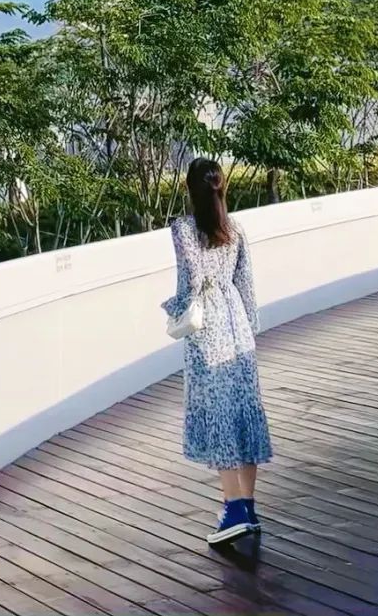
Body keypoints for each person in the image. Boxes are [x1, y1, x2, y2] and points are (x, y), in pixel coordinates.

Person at [162, 157, 272, 547]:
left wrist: (176, 309)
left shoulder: (184, 229)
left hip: (208, 325)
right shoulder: (235, 228)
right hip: (237, 322)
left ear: (190, 189)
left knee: (219, 412)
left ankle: (233, 507)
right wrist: (249, 327)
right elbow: (246, 282)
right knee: (245, 409)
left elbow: (190, 278)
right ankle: (248, 507)